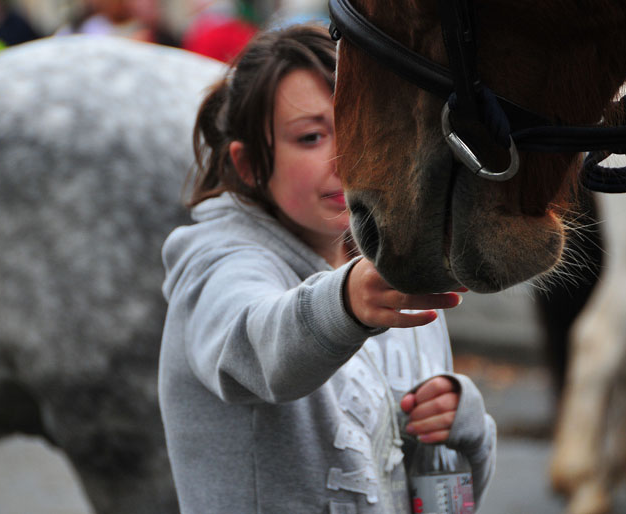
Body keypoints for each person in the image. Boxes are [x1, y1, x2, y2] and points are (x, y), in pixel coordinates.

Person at [158, 24, 496, 514]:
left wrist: (467, 427)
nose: (346, 157)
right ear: (249, 164)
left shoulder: (385, 264)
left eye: (361, 124)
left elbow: (444, 498)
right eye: (311, 136)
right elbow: (253, 348)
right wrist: (347, 305)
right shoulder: (215, 260)